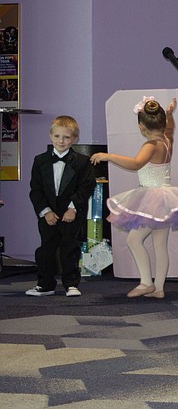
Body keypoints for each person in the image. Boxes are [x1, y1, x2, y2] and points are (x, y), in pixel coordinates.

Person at [91, 97, 178, 299]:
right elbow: (171, 129)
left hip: (152, 197)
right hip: (165, 198)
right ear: (163, 123)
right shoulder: (167, 139)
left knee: (133, 239)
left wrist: (109, 156)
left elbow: (136, 164)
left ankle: (146, 282)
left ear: (141, 126)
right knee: (159, 244)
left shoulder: (151, 145)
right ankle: (159, 288)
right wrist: (171, 114)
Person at [26, 116, 96, 297]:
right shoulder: (39, 161)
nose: (61, 141)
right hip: (48, 213)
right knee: (46, 250)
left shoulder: (82, 162)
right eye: (57, 136)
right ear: (50, 136)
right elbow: (36, 190)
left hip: (71, 212)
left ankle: (71, 284)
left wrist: (73, 208)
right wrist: (45, 211)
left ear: (74, 139)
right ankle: (45, 284)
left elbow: (86, 187)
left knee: (70, 248)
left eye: (66, 137)